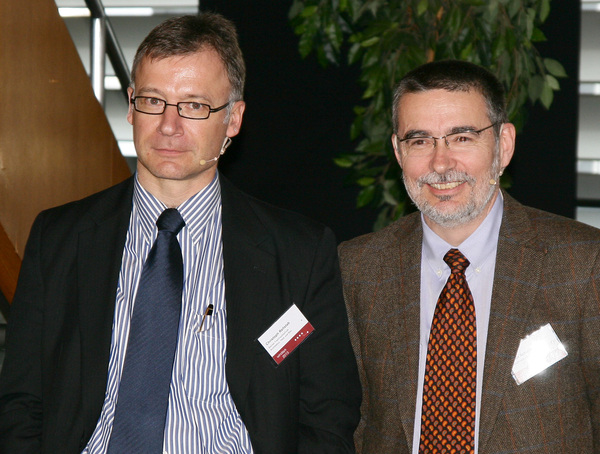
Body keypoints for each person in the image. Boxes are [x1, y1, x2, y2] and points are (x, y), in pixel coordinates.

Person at [0, 13, 361, 453]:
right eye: (154, 101)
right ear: (131, 105)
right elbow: (21, 402)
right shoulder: (59, 239)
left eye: (194, 106)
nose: (169, 126)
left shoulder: (299, 254)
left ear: (232, 120)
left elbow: (327, 417)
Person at [339, 59, 600, 453]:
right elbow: (346, 421)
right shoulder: (358, 268)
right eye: (420, 141)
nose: (440, 164)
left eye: (462, 138)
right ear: (397, 150)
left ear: (504, 145)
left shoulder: (582, 263)